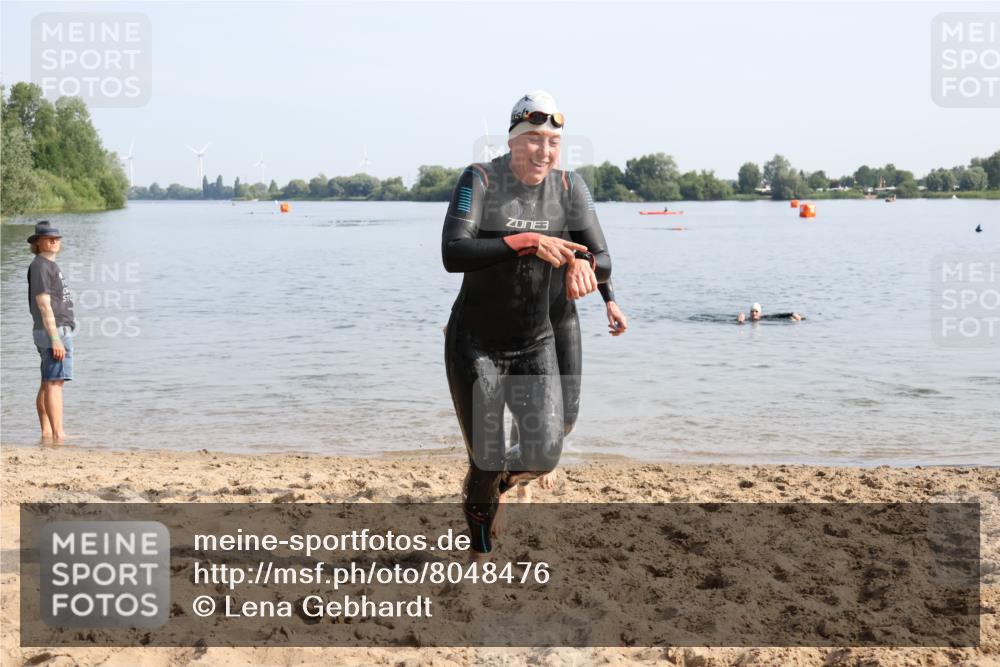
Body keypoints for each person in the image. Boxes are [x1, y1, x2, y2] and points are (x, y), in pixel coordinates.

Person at [442, 91, 612, 555]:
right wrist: (525, 241)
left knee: (542, 454)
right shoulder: (479, 180)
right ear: (514, 140)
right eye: (533, 139)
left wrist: (585, 267)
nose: (543, 150)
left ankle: (492, 485)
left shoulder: (570, 188)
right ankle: (479, 549)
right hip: (476, 342)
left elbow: (602, 257)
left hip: (534, 342)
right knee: (488, 455)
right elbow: (453, 252)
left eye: (553, 141)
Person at [26, 221, 76, 442]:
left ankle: (47, 432)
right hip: (53, 332)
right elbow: (43, 304)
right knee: (55, 383)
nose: (54, 241)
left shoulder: (47, 265)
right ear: (38, 243)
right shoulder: (40, 266)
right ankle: (58, 434)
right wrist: (55, 338)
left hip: (53, 331)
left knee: (48, 381)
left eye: (56, 238)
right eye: (48, 238)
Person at [737, 302, 803, 323]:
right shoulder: (747, 320)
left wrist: (792, 314)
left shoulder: (765, 318)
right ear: (750, 313)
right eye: (752, 311)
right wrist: (740, 321)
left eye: (756, 311)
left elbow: (779, 316)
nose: (754, 313)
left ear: (760, 313)